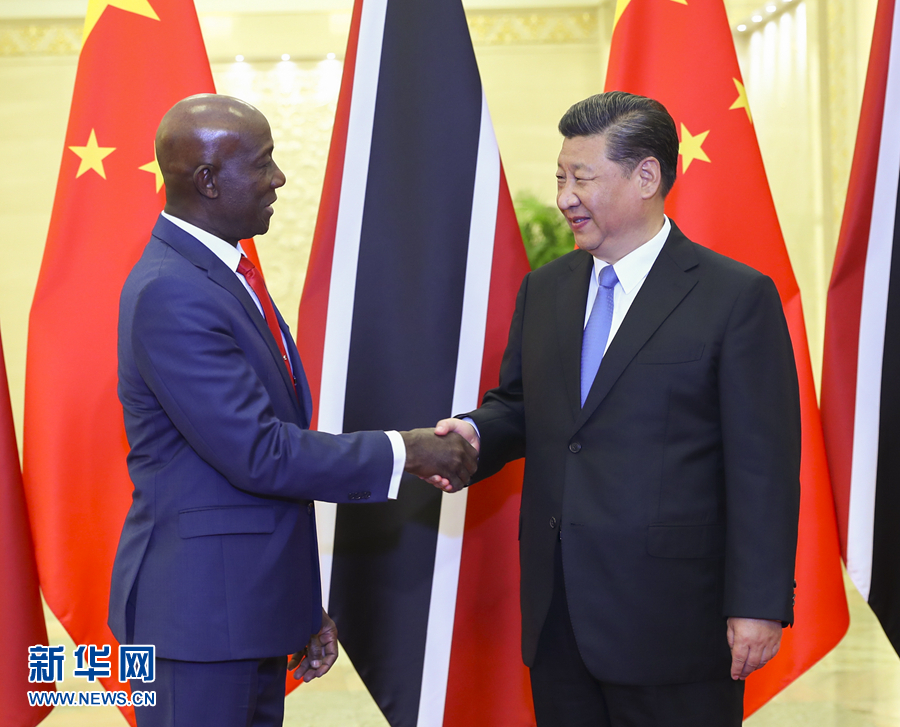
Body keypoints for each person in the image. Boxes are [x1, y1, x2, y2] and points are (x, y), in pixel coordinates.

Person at [108, 93, 477, 727]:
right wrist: (408, 450)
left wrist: (300, 608)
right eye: (262, 163)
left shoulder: (219, 274)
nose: (278, 178)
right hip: (200, 625)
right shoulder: (173, 290)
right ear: (208, 180)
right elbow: (260, 453)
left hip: (242, 611)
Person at [433, 91, 801, 726]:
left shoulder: (735, 297)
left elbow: (763, 467)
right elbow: (523, 406)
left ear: (646, 177)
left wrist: (759, 603)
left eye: (582, 178)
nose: (565, 198)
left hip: (675, 623)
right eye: (560, 177)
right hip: (559, 619)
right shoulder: (545, 289)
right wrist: (470, 434)